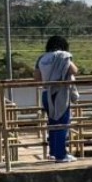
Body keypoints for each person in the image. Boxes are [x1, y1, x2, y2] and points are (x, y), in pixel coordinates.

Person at [34, 35, 77, 164]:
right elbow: (74, 70)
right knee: (62, 123)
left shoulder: (41, 58)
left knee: (52, 123)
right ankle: (61, 155)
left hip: (46, 94)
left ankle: (53, 152)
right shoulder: (63, 56)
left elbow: (37, 78)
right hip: (60, 94)